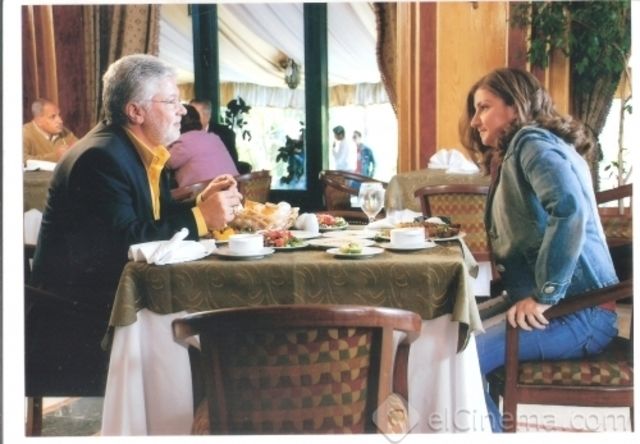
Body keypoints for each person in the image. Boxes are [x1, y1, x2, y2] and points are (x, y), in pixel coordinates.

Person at [30, 54, 243, 387]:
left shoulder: (137, 149)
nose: (182, 110)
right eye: (171, 101)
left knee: (219, 324)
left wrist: (200, 204)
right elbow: (128, 243)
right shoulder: (100, 158)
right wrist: (201, 217)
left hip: (112, 297)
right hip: (78, 317)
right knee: (221, 335)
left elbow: (151, 219)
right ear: (135, 111)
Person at [459, 67, 619, 432]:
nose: (474, 121)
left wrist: (545, 294)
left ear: (514, 107)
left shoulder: (531, 142)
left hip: (581, 313)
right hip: (563, 306)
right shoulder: (527, 146)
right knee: (457, 333)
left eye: (484, 107)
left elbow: (569, 209)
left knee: (462, 359)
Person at [168, 104, 239, 188]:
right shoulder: (213, 137)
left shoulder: (184, 141)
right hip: (234, 189)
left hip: (208, 193)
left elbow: (166, 162)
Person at [190, 98, 252, 174]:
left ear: (207, 116)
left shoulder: (225, 133)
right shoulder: (183, 132)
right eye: (189, 114)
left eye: (194, 115)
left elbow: (231, 163)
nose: (190, 118)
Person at [23, 98, 78, 162]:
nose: (60, 121)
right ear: (39, 121)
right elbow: (22, 160)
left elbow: (80, 147)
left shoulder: (63, 131)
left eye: (59, 115)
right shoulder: (24, 133)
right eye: (53, 117)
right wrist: (55, 157)